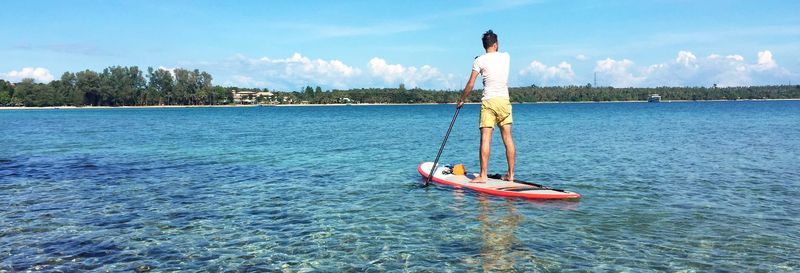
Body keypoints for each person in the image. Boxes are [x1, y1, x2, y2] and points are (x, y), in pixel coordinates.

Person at [456, 30, 515, 183]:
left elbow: (470, 84)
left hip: (489, 102)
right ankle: (511, 175)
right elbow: (495, 58)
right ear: (496, 45)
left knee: (485, 139)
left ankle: (483, 176)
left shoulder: (479, 61)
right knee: (508, 139)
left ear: (484, 46)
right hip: (504, 101)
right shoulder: (506, 57)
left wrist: (462, 100)